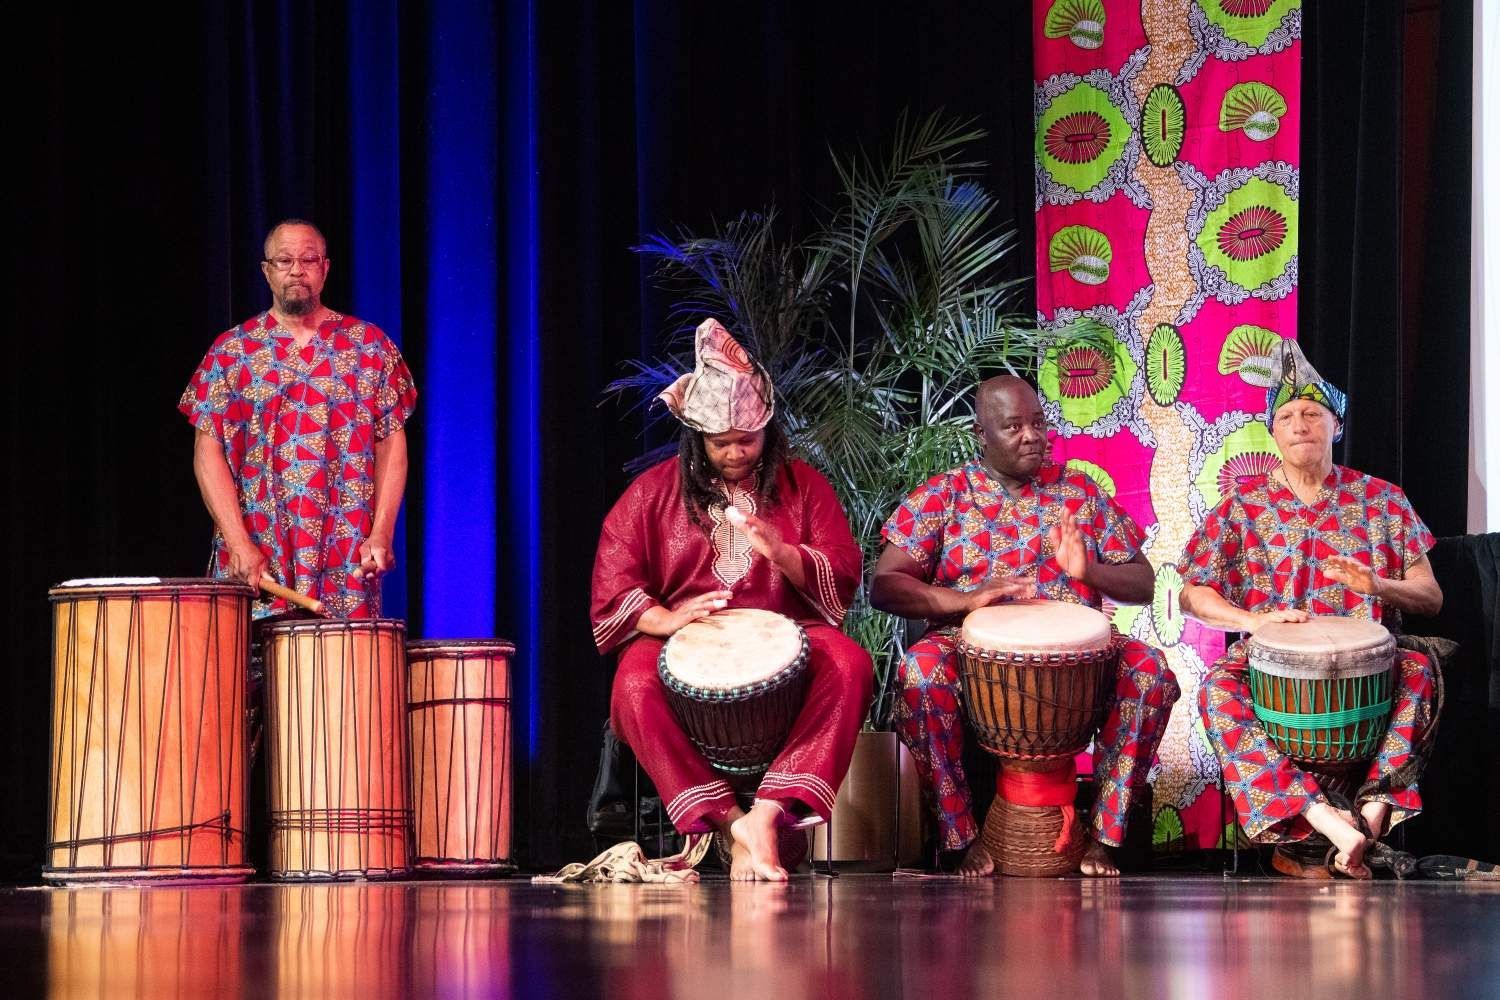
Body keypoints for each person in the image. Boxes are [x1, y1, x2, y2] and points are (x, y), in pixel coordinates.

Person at [591, 318, 872, 882]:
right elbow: (613, 585)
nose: (736, 451)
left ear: (769, 429)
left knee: (849, 663)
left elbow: (842, 570)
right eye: (721, 442)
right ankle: (729, 823)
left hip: (788, 631)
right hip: (681, 639)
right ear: (696, 438)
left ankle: (768, 814)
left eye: (748, 438)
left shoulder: (805, 487)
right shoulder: (651, 494)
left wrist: (784, 553)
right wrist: (666, 618)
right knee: (632, 684)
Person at [871, 375, 1179, 877]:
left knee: (1151, 673)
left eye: (1037, 422)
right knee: (921, 674)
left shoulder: (1078, 490)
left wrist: (1089, 573)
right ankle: (959, 837)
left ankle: (1106, 836)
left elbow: (1143, 582)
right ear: (981, 434)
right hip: (968, 647)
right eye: (1013, 426)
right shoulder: (944, 494)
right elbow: (886, 584)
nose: (1032, 435)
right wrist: (967, 599)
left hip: (1082, 654)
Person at [1178, 340, 1441, 878]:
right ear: (1272, 432)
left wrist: (1380, 585)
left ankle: (1368, 818)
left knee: (1421, 671)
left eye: (1312, 413)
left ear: (1335, 425)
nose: (1300, 424)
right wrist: (1251, 621)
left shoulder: (1384, 501)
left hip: (1371, 667)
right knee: (1214, 689)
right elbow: (1190, 593)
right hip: (1267, 666)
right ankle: (1323, 819)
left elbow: (1431, 596)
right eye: (1287, 416)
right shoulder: (1241, 509)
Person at [179, 219, 416, 619]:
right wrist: (238, 542)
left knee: (342, 677)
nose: (296, 270)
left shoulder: (370, 346)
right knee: (247, 677)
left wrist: (382, 532)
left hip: (345, 554)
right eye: (284, 260)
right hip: (258, 553)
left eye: (308, 259)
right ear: (266, 270)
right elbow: (208, 453)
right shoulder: (232, 351)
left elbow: (391, 442)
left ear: (325, 267)